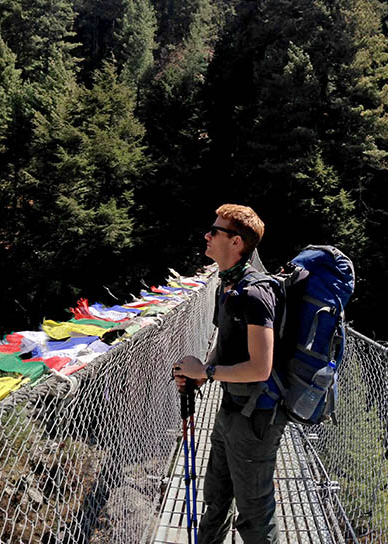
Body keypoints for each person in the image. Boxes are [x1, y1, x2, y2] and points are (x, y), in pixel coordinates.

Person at [172, 204, 284, 544]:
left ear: (236, 242)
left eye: (214, 231)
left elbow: (260, 368)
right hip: (231, 409)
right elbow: (226, 343)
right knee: (215, 499)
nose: (207, 236)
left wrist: (206, 369)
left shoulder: (253, 294)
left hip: (256, 419)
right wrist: (200, 373)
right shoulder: (227, 286)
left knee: (254, 517)